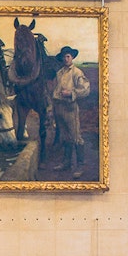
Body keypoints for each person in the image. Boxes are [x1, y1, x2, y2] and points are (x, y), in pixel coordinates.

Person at [51, 45, 90, 176]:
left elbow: (85, 89)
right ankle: (66, 163)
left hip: (70, 108)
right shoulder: (59, 73)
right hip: (59, 107)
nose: (66, 59)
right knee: (64, 136)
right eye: (64, 57)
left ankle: (80, 166)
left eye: (68, 56)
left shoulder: (77, 72)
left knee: (76, 136)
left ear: (72, 57)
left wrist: (71, 93)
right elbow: (56, 91)